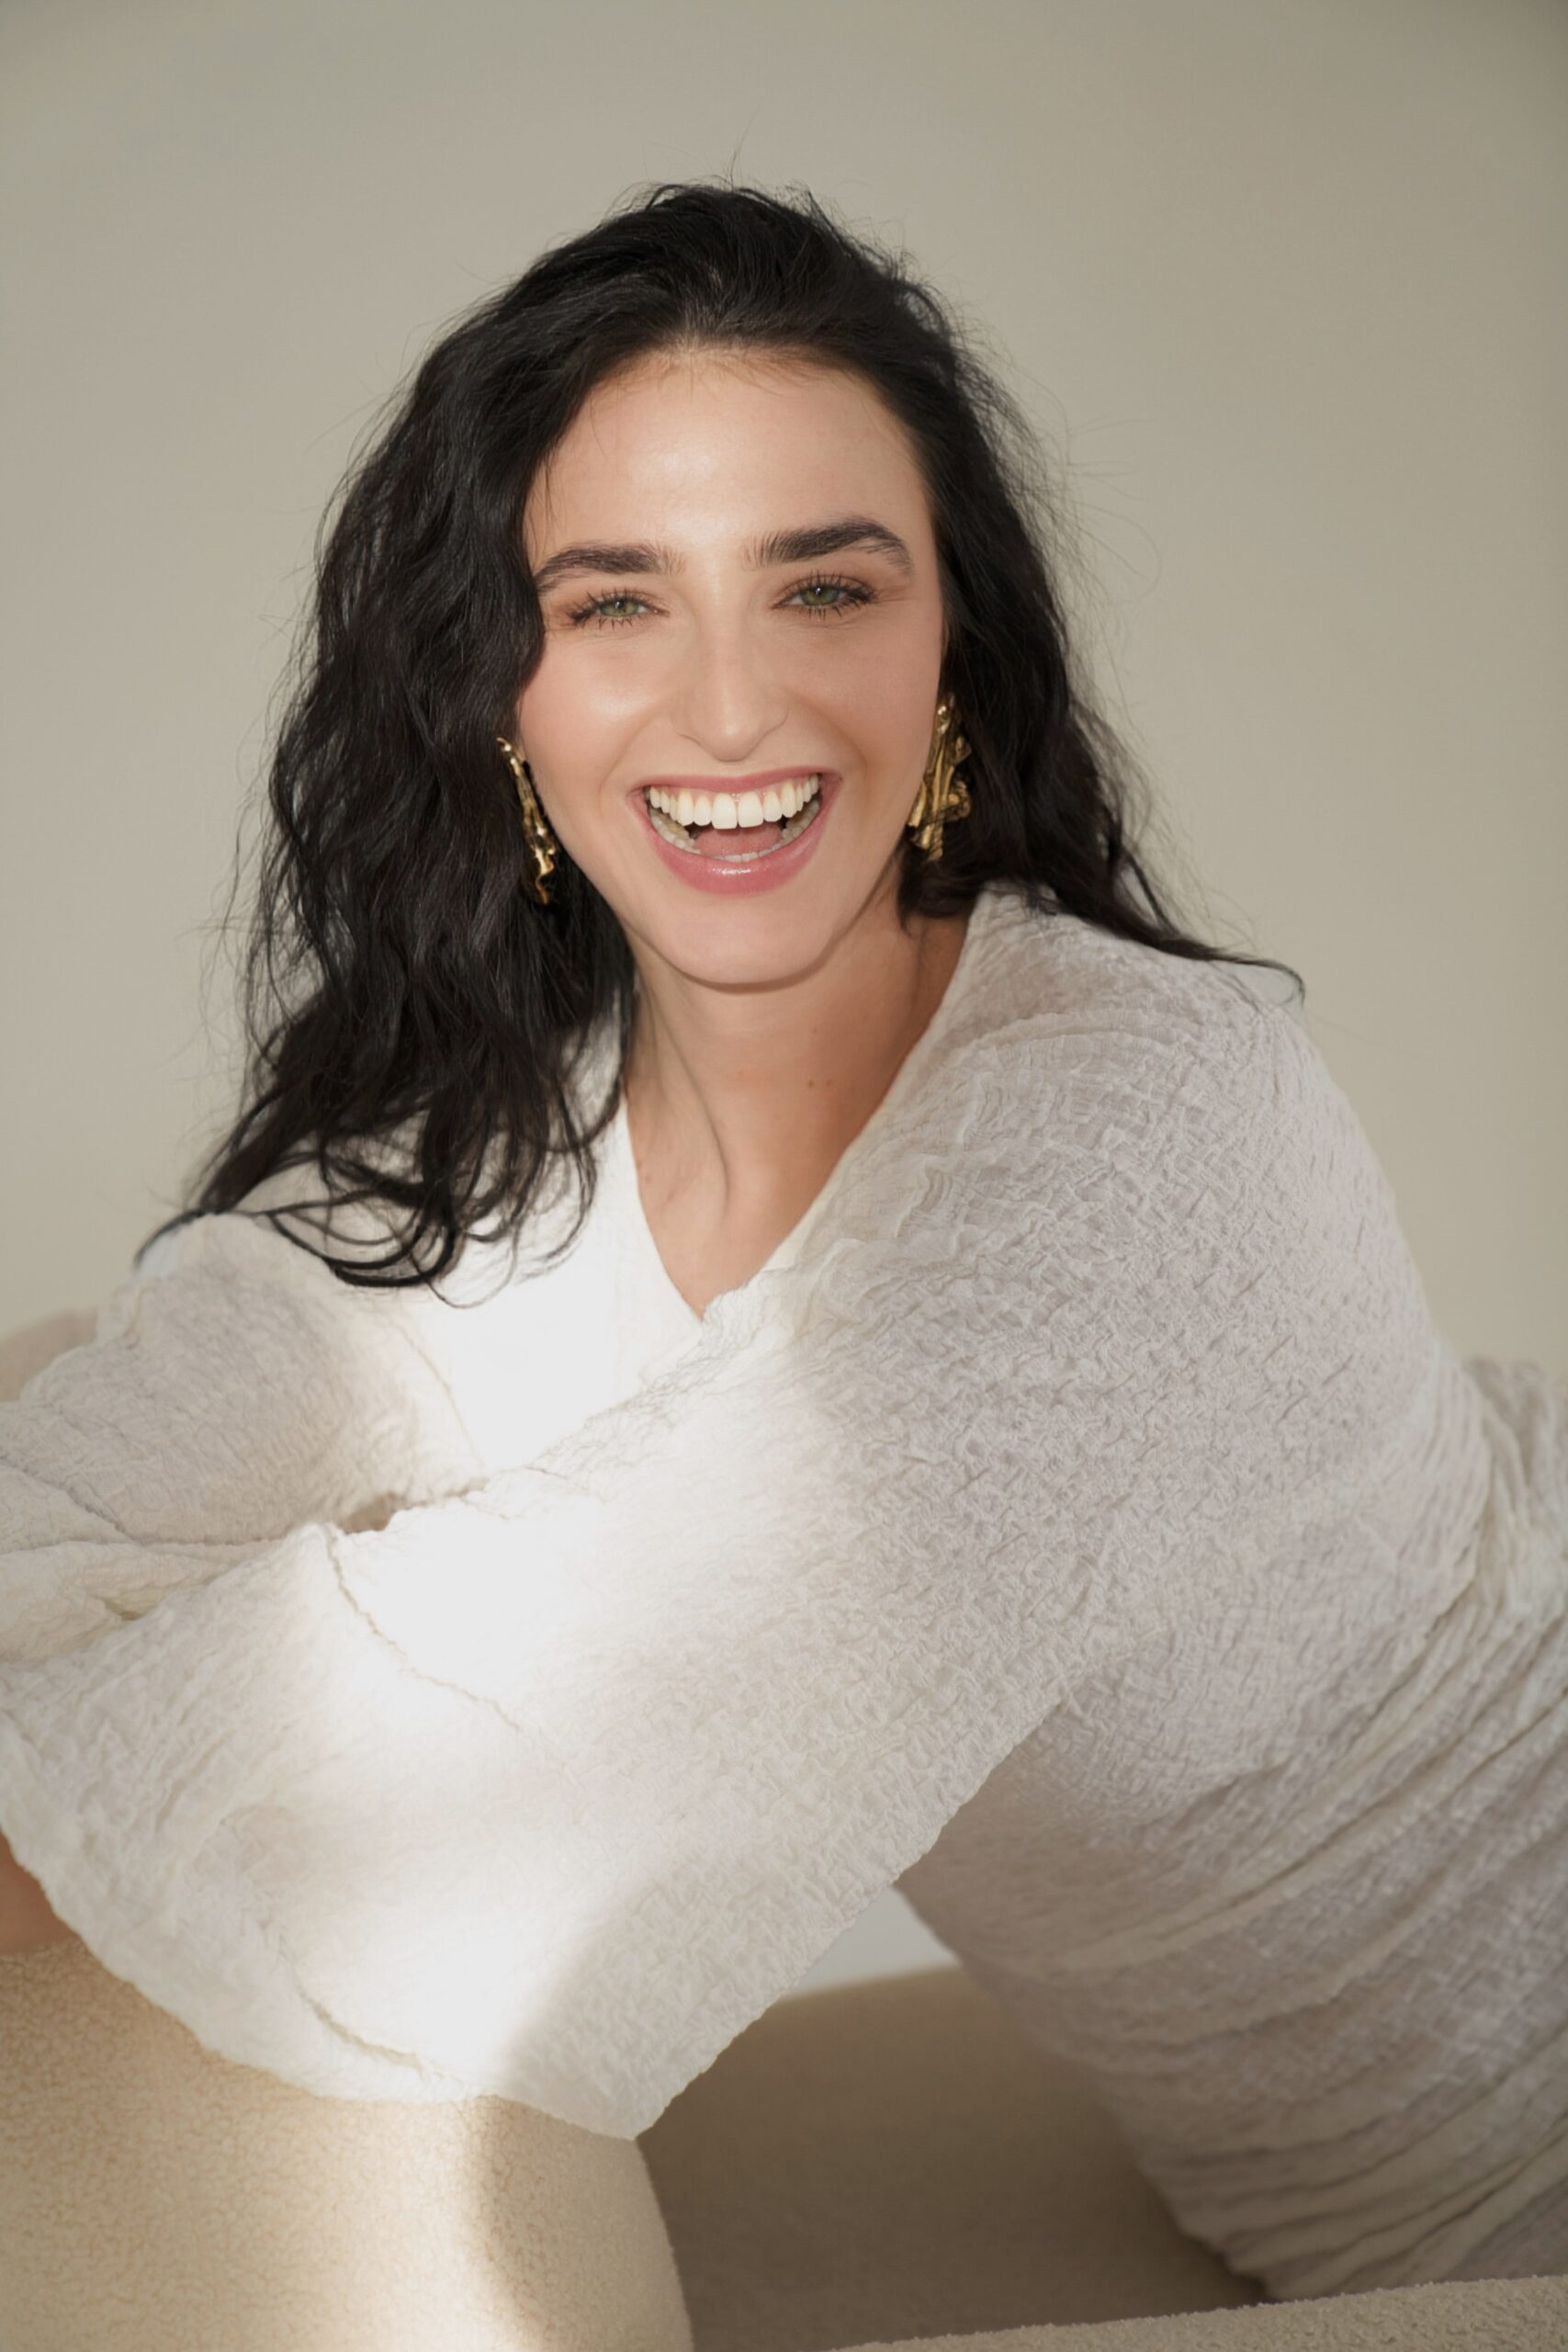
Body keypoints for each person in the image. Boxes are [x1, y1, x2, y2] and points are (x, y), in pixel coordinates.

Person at [2, 179, 1564, 2339]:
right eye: (613, 603)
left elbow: (528, 1723)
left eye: (821, 586)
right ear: (498, 697)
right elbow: (76, 1487)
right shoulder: (518, 1174)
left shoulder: (1140, 1137)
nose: (730, 708)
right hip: (1280, 2170)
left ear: (949, 655)